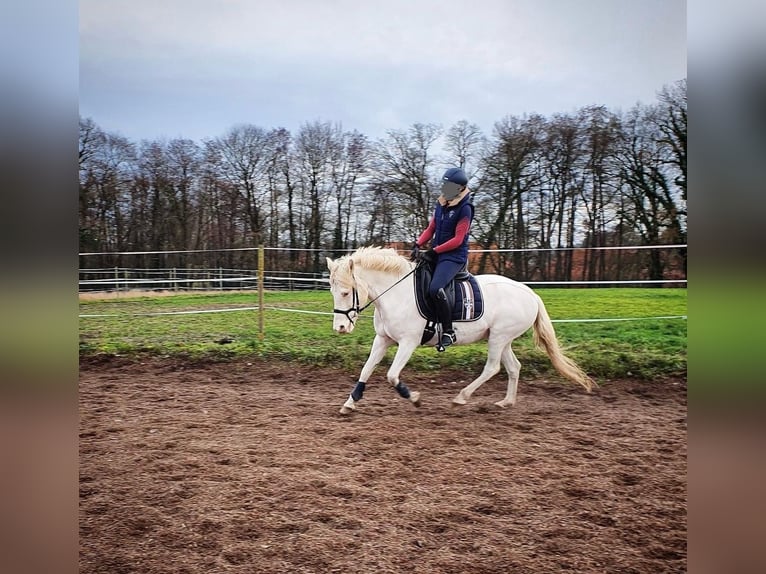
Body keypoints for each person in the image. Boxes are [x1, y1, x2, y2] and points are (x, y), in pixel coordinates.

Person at [410, 167, 474, 350]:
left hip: (453, 257)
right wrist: (418, 243)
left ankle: (448, 331)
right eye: (444, 184)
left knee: (435, 288)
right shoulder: (441, 204)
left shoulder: (465, 209)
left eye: (449, 185)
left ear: (460, 188)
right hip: (437, 252)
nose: (445, 188)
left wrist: (434, 252)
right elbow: (432, 228)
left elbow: (458, 239)